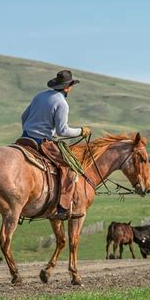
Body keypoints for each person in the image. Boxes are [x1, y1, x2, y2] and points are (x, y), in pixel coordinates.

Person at [21, 69, 91, 220]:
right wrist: (81, 131)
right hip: (42, 142)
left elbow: (23, 117)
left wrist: (30, 130)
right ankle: (63, 208)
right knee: (71, 169)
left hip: (25, 138)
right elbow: (62, 131)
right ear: (67, 87)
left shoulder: (39, 96)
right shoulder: (61, 103)